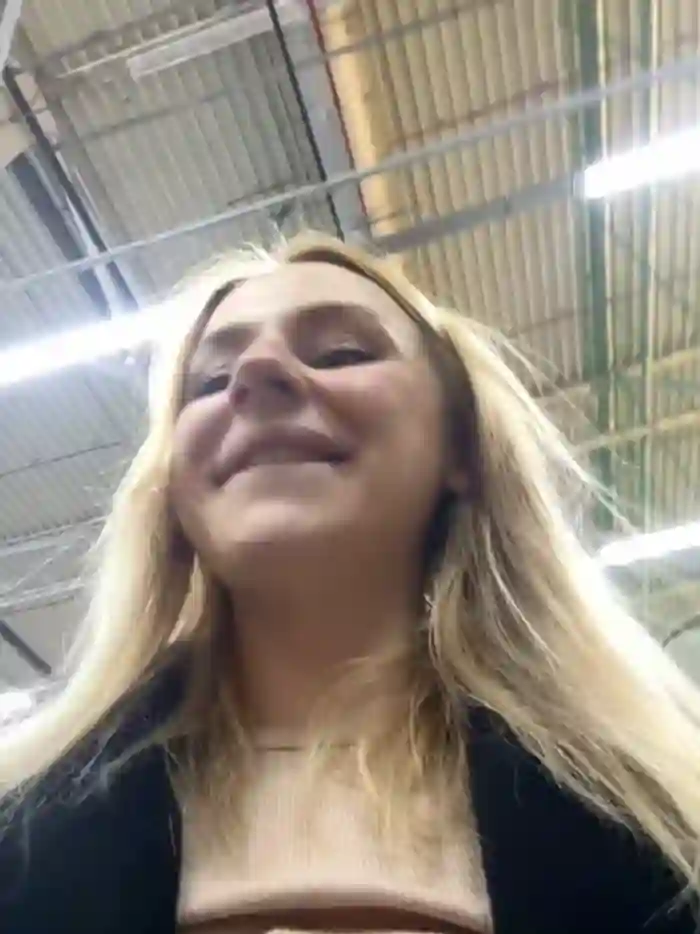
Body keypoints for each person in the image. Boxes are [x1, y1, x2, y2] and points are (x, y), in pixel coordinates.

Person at [0, 233, 699, 934]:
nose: (257, 372)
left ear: (462, 445)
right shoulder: (24, 829)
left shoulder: (662, 827)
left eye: (341, 353)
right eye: (210, 381)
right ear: (174, 487)